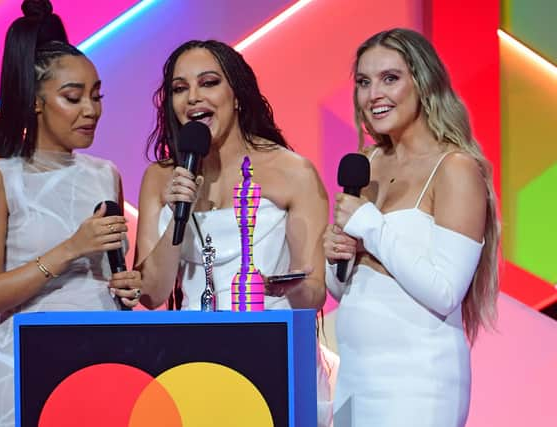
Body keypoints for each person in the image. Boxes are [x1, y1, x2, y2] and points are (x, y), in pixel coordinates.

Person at [133, 39, 334, 425]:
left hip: (272, 354)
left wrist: (284, 286)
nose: (193, 98)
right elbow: (153, 293)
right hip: (190, 362)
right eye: (179, 88)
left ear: (237, 96)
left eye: (208, 83)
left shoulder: (292, 172)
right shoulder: (161, 178)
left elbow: (314, 292)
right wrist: (180, 210)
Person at [0, 1, 141, 425]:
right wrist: (70, 250)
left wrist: (126, 285)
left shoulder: (107, 174)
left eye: (96, 96)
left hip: (100, 362)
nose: (91, 110)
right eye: (73, 97)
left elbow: (110, 277)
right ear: (36, 101)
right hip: (21, 366)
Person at [323, 28, 499, 426]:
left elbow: (446, 291)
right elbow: (343, 289)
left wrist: (370, 226)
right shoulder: (367, 163)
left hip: (419, 382)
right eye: (364, 82)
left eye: (390, 78)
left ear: (423, 83)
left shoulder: (454, 169)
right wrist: (336, 256)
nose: (374, 95)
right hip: (355, 377)